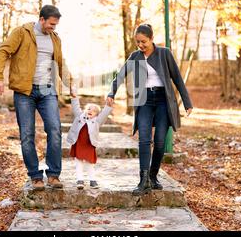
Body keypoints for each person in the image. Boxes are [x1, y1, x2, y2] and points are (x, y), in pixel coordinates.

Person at [0, 5, 74, 191]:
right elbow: (2, 51)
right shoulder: (22, 33)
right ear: (42, 19)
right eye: (51, 24)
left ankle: (53, 175)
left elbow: (61, 64)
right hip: (24, 92)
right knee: (27, 135)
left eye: (56, 25)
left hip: (47, 91)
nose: (53, 28)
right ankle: (35, 176)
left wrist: (71, 84)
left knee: (54, 130)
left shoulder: (55, 39)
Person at [106, 24, 193, 196]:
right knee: (144, 139)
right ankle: (143, 180)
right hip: (144, 100)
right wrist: (111, 93)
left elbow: (177, 78)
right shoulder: (135, 56)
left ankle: (153, 176)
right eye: (138, 42)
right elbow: (120, 75)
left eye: (144, 42)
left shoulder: (164, 54)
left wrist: (187, 102)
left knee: (160, 141)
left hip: (163, 100)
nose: (141, 45)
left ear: (151, 39)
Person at [66, 89, 113, 190]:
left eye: (94, 110)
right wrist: (74, 98)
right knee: (78, 161)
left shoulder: (97, 122)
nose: (91, 111)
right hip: (78, 143)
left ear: (97, 114)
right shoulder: (80, 117)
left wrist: (108, 106)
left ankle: (92, 180)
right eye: (89, 109)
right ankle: (80, 180)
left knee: (89, 163)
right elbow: (75, 107)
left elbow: (104, 114)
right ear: (85, 111)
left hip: (89, 144)